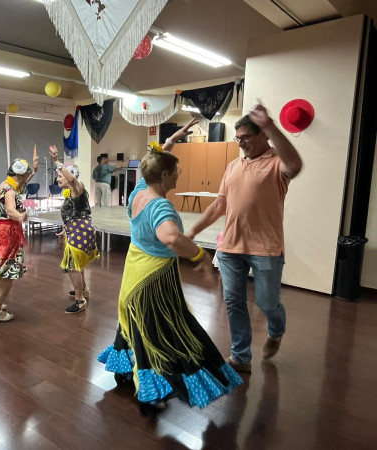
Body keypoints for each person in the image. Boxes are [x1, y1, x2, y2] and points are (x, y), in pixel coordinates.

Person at [97, 118, 243, 415]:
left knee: (138, 324)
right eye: (176, 171)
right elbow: (172, 237)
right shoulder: (161, 205)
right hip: (154, 276)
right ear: (164, 175)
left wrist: (171, 141)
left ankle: (128, 372)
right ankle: (149, 390)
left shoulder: (139, 190)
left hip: (134, 270)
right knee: (164, 328)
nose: (179, 174)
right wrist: (200, 257)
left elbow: (150, 162)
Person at [186, 104, 303, 373]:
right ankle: (241, 356)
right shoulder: (232, 166)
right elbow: (219, 206)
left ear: (263, 135)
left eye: (246, 138)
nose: (241, 144)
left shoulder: (276, 163)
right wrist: (192, 231)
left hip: (266, 248)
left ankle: (276, 329)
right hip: (229, 247)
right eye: (238, 139)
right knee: (233, 301)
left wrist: (273, 127)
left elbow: (295, 165)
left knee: (266, 303)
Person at [0, 154, 38, 322]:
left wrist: (34, 171)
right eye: (25, 176)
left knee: (3, 268)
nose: (26, 179)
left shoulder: (4, 185)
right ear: (18, 175)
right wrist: (21, 216)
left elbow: (20, 186)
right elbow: (10, 210)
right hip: (8, 232)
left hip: (0, 230)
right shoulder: (10, 191)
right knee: (8, 273)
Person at [49, 145, 99, 314]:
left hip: (81, 231)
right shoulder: (71, 192)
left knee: (72, 266)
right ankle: (83, 289)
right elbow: (72, 214)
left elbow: (71, 180)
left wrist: (57, 162)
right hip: (78, 230)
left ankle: (80, 300)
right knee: (77, 264)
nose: (57, 180)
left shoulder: (78, 188)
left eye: (59, 176)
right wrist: (65, 230)